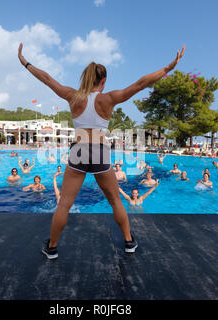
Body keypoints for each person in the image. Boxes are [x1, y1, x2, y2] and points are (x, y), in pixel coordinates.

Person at [18, 41, 185, 259]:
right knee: (115, 200)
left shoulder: (73, 96)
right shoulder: (109, 98)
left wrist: (25, 62)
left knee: (65, 204)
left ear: (85, 78)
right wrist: (167, 68)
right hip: (98, 150)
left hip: (78, 150)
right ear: (103, 81)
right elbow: (140, 84)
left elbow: (48, 79)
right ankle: (128, 242)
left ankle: (52, 247)